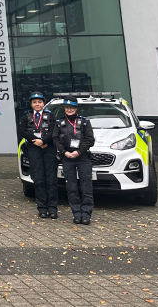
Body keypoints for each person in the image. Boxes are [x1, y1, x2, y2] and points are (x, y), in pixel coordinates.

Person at [52, 96, 95, 225]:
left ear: (76, 108)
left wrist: (78, 151)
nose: (69, 109)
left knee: (86, 187)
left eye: (72, 107)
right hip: (67, 159)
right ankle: (76, 213)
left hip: (82, 158)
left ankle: (86, 214)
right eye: (67, 107)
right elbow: (55, 139)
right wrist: (64, 152)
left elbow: (89, 140)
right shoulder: (59, 123)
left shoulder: (85, 122)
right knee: (71, 188)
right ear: (64, 108)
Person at [18, 92, 58, 219]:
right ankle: (42, 208)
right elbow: (22, 131)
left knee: (51, 180)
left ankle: (52, 208)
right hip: (34, 149)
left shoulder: (50, 116)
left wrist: (44, 141)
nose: (37, 104)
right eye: (34, 102)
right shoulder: (26, 116)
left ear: (43, 103)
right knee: (38, 179)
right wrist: (36, 141)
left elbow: (54, 131)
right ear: (31, 104)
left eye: (39, 102)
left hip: (49, 149)